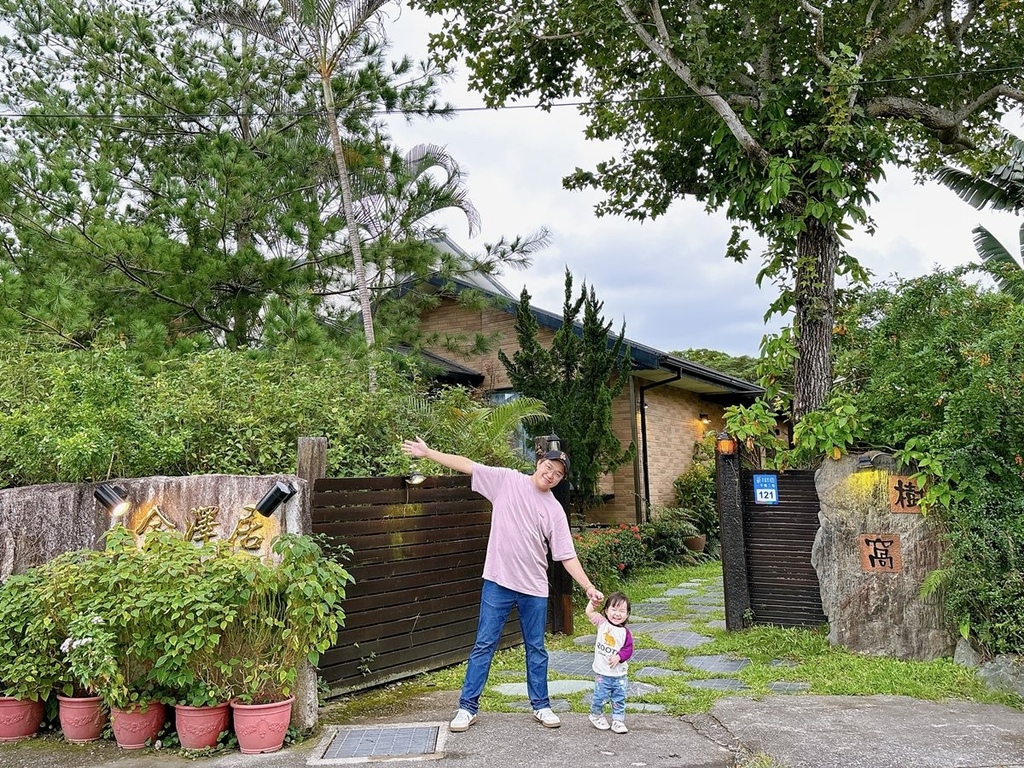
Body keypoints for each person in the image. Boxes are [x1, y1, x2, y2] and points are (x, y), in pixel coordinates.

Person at [400, 436, 604, 732]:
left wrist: (587, 586)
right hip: (498, 582)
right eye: (549, 467)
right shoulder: (507, 481)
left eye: (558, 474)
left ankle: (541, 706)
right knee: (484, 644)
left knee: (536, 648)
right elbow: (469, 466)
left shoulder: (554, 510)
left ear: (560, 479)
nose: (551, 475)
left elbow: (566, 555)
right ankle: (466, 708)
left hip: (534, 588)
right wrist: (429, 452)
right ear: (539, 464)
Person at [584, 591, 633, 734]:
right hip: (602, 673)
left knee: (619, 698)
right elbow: (589, 612)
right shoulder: (602, 623)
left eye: (622, 611)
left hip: (619, 674)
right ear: (606, 611)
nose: (617, 614)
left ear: (627, 614)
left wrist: (619, 656)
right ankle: (596, 715)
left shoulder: (625, 633)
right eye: (614, 609)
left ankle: (618, 721)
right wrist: (593, 602)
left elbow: (628, 649)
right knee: (600, 697)